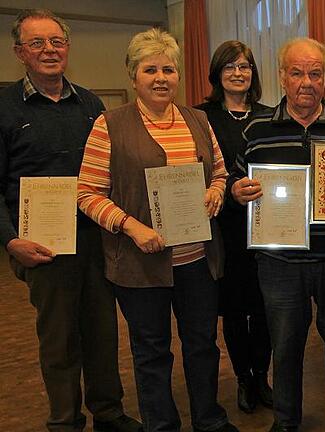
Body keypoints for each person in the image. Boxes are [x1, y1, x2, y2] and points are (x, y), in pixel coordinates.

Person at [77, 28, 237, 432]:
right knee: (152, 352)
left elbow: (219, 172)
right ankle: (161, 425)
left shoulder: (197, 120)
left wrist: (217, 192)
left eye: (169, 68)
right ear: (134, 76)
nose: (161, 77)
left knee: (203, 346)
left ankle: (209, 419)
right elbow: (88, 193)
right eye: (150, 69)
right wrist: (132, 227)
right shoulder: (109, 124)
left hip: (196, 261)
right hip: (140, 263)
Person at [228, 37, 325, 432]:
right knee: (286, 347)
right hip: (280, 262)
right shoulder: (256, 127)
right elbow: (233, 177)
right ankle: (285, 420)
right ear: (282, 76)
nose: (306, 82)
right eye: (297, 73)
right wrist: (236, 191)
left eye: (315, 73)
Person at [0, 9, 141, 432]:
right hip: (41, 244)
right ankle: (65, 420)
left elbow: (109, 172)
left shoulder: (91, 104)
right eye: (37, 43)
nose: (49, 50)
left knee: (101, 333)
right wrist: (10, 241)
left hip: (95, 238)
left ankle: (109, 413)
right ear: (19, 52)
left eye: (56, 42)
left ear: (67, 48)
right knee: (58, 338)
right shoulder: (5, 108)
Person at [196, 40, 273, 414]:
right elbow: (197, 174)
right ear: (217, 74)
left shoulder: (271, 114)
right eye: (230, 67)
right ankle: (243, 377)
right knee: (234, 308)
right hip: (223, 229)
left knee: (263, 308)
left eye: (245, 66)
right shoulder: (200, 117)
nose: (238, 73)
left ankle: (262, 376)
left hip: (270, 227)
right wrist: (228, 191)